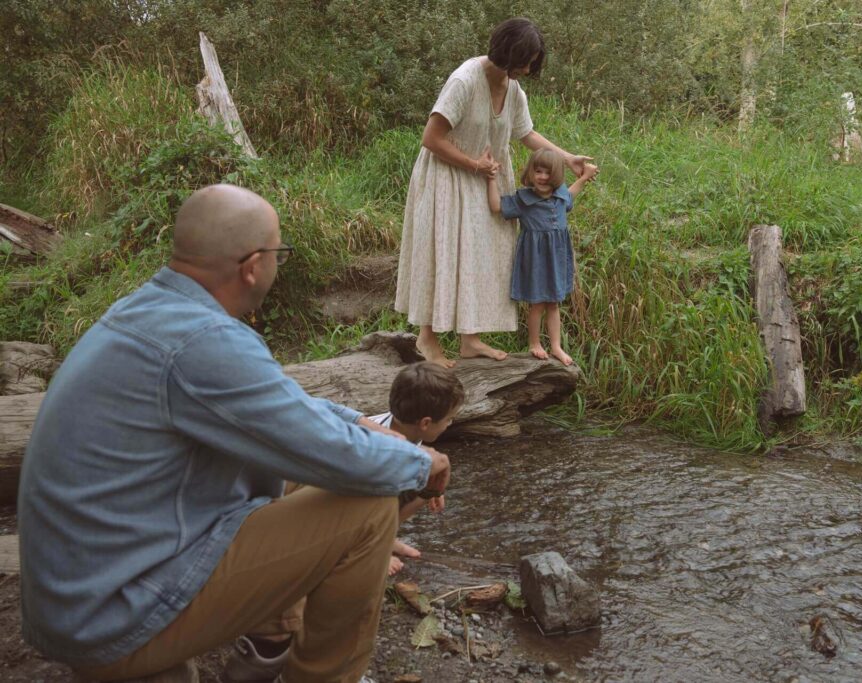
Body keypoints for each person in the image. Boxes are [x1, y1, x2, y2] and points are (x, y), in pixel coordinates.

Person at [17, 184, 450, 683]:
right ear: (252, 265)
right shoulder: (203, 340)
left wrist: (355, 422)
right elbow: (331, 454)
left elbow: (279, 408)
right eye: (279, 254)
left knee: (280, 467)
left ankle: (268, 645)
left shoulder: (152, 312)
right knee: (368, 506)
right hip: (112, 616)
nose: (277, 266)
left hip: (88, 594)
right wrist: (424, 465)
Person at [395, 16, 595, 367]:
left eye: (532, 62)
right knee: (444, 253)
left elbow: (526, 134)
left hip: (486, 177)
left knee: (482, 257)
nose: (528, 68)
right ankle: (427, 338)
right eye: (525, 61)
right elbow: (431, 138)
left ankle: (470, 340)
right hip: (449, 174)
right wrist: (474, 164)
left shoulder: (513, 87)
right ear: (506, 52)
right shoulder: (464, 81)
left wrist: (568, 157)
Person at [486, 148, 598, 366]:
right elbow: (496, 206)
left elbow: (571, 194)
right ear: (531, 172)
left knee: (554, 304)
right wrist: (490, 178)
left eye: (548, 173)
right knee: (537, 304)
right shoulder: (524, 199)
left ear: (556, 175)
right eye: (538, 171)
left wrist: (584, 178)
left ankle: (556, 346)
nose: (543, 177)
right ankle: (534, 343)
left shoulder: (560, 196)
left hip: (556, 258)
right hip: (536, 260)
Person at [365, 362, 465, 576]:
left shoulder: (403, 427)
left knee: (427, 486)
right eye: (449, 419)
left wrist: (434, 486)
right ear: (426, 423)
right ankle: (370, 548)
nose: (450, 423)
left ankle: (385, 537)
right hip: (331, 511)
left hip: (363, 500)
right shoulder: (380, 452)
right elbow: (354, 507)